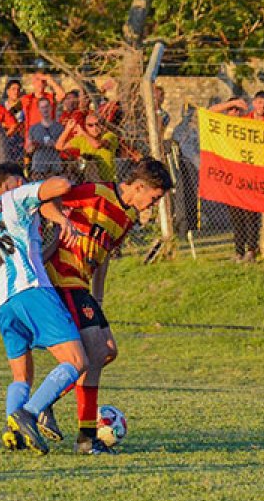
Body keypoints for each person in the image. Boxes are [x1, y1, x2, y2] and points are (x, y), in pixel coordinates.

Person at [43, 159, 173, 455]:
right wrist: (62, 221)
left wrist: (98, 298)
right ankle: (85, 438)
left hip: (82, 286)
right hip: (63, 278)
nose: (151, 205)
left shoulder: (126, 218)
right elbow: (44, 202)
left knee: (108, 351)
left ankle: (45, 404)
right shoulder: (96, 192)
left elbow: (103, 257)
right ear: (139, 187)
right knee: (94, 353)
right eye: (153, 198)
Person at [0, 162, 88, 456]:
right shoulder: (15, 197)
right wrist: (48, 181)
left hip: (3, 301)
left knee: (21, 376)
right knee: (77, 360)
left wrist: (59, 220)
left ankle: (14, 432)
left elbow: (38, 216)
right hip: (31, 290)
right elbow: (62, 186)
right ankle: (32, 412)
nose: (22, 185)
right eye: (18, 181)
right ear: (5, 186)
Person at [209, 93, 264, 262]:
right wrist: (232, 102)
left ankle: (251, 249)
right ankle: (239, 251)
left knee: (250, 215)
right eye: (231, 109)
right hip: (231, 178)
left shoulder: (245, 124)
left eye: (237, 109)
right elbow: (210, 112)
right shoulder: (222, 125)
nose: (234, 112)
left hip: (248, 177)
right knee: (236, 216)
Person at [56, 113, 119, 183]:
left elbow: (97, 145)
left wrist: (83, 132)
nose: (95, 128)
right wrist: (68, 129)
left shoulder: (109, 136)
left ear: (101, 125)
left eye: (97, 124)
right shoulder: (82, 139)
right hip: (89, 181)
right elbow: (59, 146)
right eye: (90, 125)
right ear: (85, 126)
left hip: (108, 182)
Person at [25, 97, 65, 179]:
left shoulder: (60, 127)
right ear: (39, 109)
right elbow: (28, 149)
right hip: (39, 166)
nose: (45, 110)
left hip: (55, 165)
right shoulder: (33, 128)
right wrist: (34, 146)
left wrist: (55, 144)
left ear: (51, 108)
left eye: (47, 106)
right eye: (42, 107)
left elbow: (65, 147)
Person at [20, 73, 65, 140]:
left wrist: (50, 80)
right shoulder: (26, 99)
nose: (40, 83)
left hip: (49, 136)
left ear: (46, 84)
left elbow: (62, 95)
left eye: (43, 81)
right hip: (32, 137)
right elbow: (12, 111)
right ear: (33, 83)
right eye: (37, 80)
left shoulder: (50, 98)